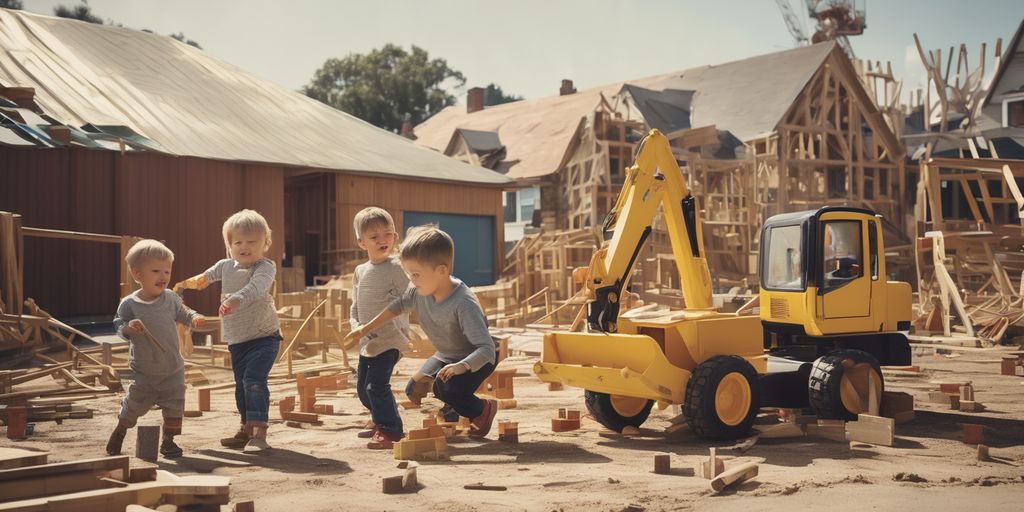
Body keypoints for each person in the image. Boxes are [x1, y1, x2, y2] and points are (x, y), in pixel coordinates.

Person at [344, 225, 498, 443]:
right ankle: (452, 408)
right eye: (409, 273)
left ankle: (482, 409)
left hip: (474, 357)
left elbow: (487, 350)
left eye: (415, 274)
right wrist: (365, 327)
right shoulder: (419, 290)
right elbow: (399, 305)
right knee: (414, 388)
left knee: (445, 389)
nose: (411, 280)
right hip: (446, 354)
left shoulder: (463, 303)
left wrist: (460, 367)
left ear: (442, 271)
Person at [175, 209, 280, 453]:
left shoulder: (265, 267)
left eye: (252, 242)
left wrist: (235, 299)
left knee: (254, 380)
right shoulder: (225, 266)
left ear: (266, 243)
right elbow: (204, 278)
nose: (245, 247)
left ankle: (259, 433)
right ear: (229, 245)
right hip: (237, 340)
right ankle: (245, 428)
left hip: (264, 337)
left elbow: (256, 288)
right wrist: (183, 285)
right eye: (238, 242)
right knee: (241, 385)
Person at [107, 240, 203, 459]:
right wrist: (129, 328)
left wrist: (194, 318)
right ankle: (121, 429)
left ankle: (168, 442)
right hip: (145, 371)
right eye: (156, 271)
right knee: (135, 404)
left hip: (172, 368)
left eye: (167, 271)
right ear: (137, 274)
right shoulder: (129, 304)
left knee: (175, 405)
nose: (163, 276)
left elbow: (184, 312)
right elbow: (118, 325)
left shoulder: (170, 298)